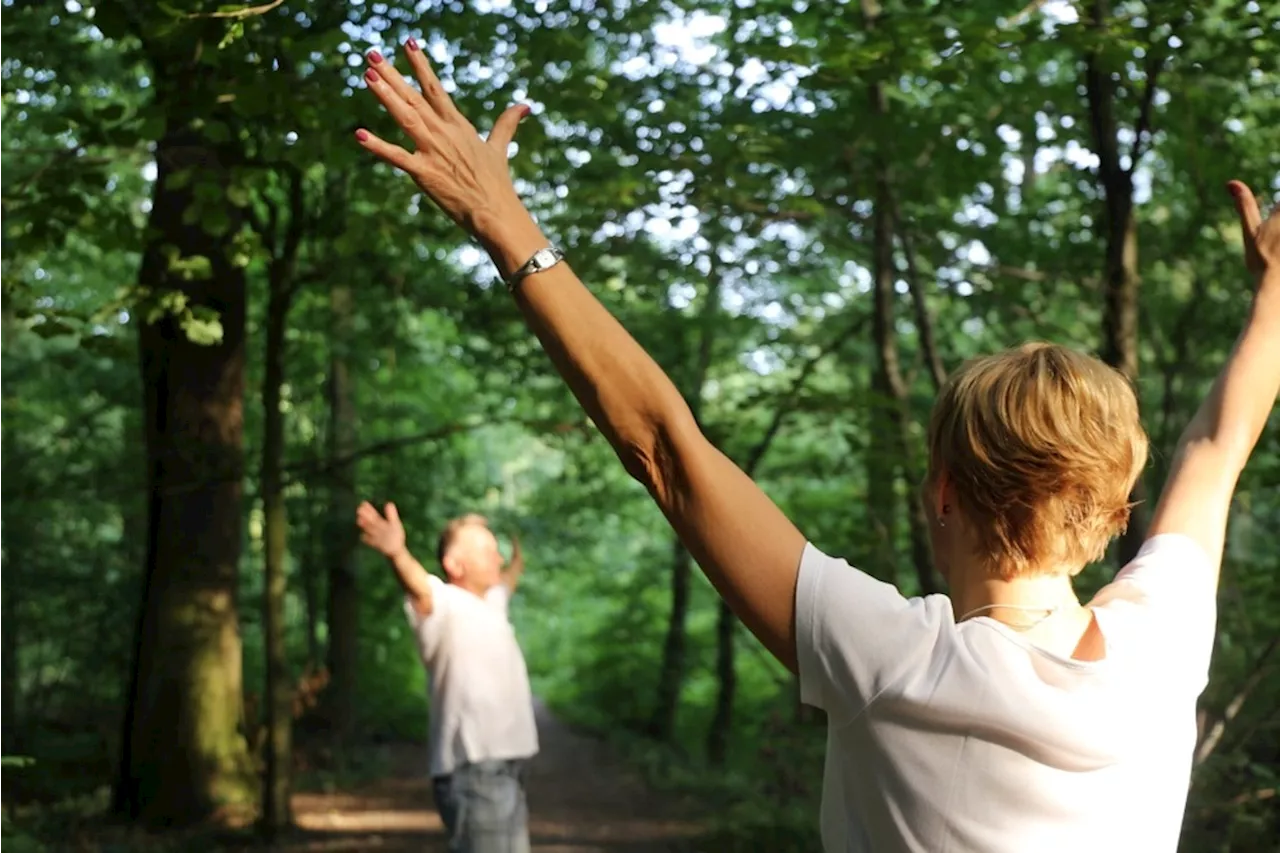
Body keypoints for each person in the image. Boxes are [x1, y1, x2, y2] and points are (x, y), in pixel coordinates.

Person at [350, 40, 1280, 852]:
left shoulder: (892, 661)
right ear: (1118, 513)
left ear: (944, 492)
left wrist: (503, 221)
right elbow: (1217, 441)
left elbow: (667, 451)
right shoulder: (1164, 644)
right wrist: (1274, 292)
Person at [356, 501, 537, 853]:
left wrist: (517, 554)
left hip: (511, 767)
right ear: (455, 565)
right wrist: (397, 553)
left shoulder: (492, 603)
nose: (496, 559)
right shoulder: (444, 603)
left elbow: (510, 577)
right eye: (487, 551)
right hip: (475, 771)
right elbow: (418, 584)